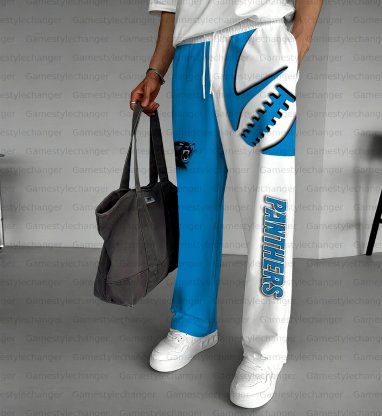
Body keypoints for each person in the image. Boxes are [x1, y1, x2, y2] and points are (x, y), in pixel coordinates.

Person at [130, 0, 322, 409]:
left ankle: (265, 348)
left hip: (258, 49)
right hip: (190, 58)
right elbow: (171, 7)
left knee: (268, 207)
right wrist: (155, 71)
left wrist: (298, 43)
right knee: (194, 206)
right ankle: (193, 323)